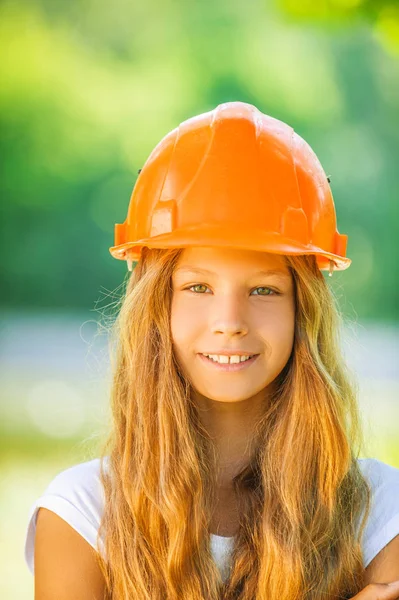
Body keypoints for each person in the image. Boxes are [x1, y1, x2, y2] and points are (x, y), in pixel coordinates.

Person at [24, 101, 399, 599]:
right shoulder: (82, 515)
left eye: (264, 290)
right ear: (158, 305)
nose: (229, 323)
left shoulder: (380, 512)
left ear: (302, 312)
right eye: (198, 288)